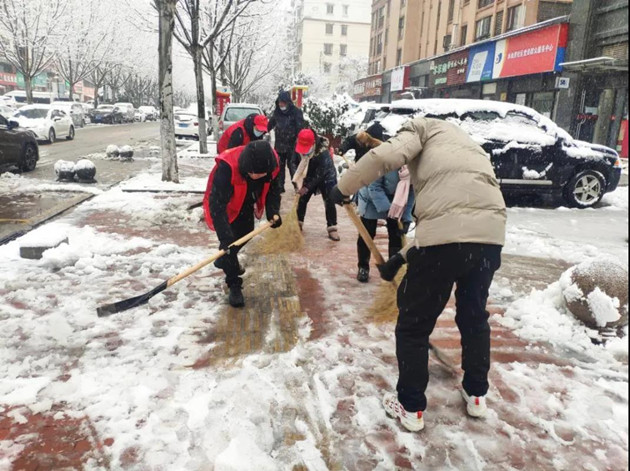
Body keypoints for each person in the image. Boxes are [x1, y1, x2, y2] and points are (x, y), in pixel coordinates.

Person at [330, 117, 506, 432]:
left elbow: (383, 157)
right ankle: (477, 393)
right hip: (489, 240)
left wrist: (343, 188)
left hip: (444, 244)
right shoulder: (467, 146)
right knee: (474, 317)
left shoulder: (420, 129)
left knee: (413, 325)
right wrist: (400, 258)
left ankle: (410, 407)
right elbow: (453, 219)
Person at [203, 140, 283, 307]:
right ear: (246, 167)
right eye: (254, 173)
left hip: (246, 200)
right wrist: (224, 237)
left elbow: (274, 189)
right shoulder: (227, 167)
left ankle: (225, 259)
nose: (257, 177)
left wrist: (273, 211)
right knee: (230, 242)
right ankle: (234, 284)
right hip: (228, 203)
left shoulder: (272, 163)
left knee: (246, 232)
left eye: (262, 174)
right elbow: (217, 204)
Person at [355, 166, 414, 283]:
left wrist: (406, 218)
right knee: (367, 233)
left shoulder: (413, 168)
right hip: (371, 196)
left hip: (397, 200)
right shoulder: (385, 161)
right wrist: (389, 210)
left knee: (396, 234)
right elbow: (374, 187)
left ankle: (393, 269)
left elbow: (410, 192)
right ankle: (363, 267)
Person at [293, 128, 340, 241]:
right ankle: (298, 223)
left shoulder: (323, 152)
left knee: (329, 200)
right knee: (302, 199)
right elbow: (292, 162)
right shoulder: (298, 146)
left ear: (313, 143)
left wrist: (307, 187)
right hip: (309, 173)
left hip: (326, 176)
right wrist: (296, 179)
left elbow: (320, 174)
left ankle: (332, 227)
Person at [268, 90, 304, 190]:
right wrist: (264, 130)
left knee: (292, 165)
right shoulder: (277, 112)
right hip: (280, 144)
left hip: (292, 144)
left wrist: (298, 139)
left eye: (283, 102)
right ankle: (280, 186)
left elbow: (300, 127)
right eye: (279, 102)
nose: (281, 105)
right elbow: (270, 124)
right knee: (279, 166)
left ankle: (297, 185)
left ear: (288, 102)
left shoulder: (296, 112)